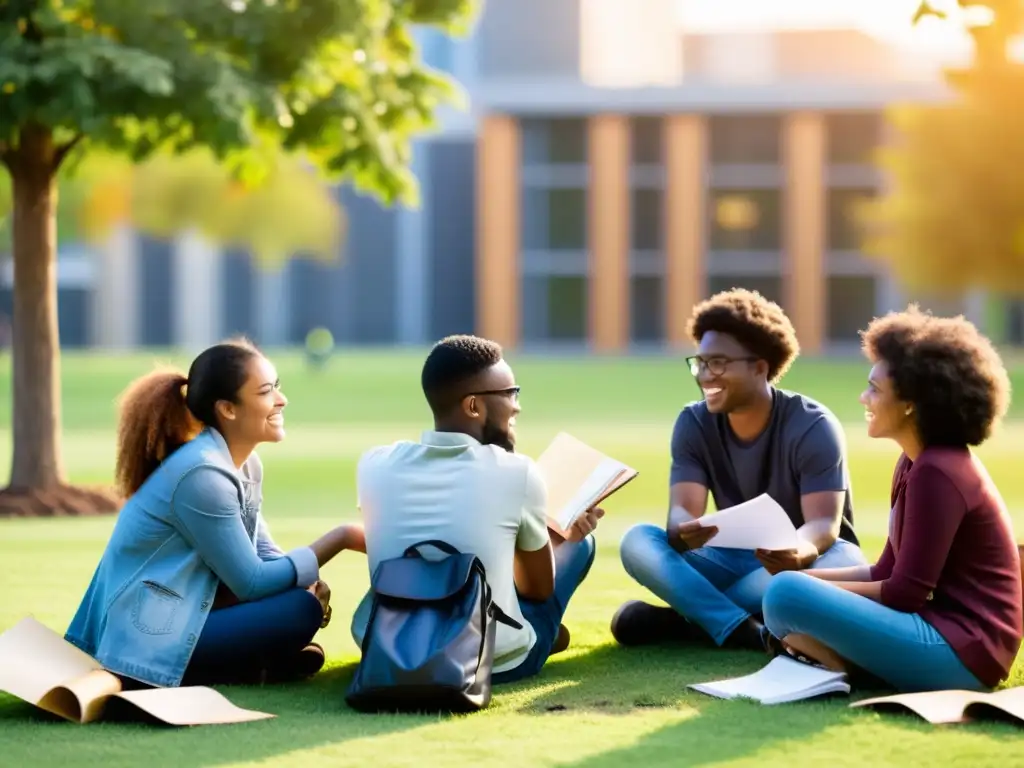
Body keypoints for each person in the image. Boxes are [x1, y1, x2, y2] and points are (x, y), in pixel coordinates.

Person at [65, 338, 366, 689]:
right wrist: (341, 538)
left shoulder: (244, 464)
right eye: (266, 392)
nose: (282, 400)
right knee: (300, 609)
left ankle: (262, 661)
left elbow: (262, 552)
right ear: (228, 409)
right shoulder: (202, 475)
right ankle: (249, 665)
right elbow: (251, 581)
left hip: (190, 608)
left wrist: (306, 580)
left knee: (300, 600)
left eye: (278, 388)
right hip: (144, 635)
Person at [761, 308, 1022, 692]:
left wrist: (802, 591)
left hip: (963, 653)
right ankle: (840, 661)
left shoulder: (939, 470)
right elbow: (886, 569)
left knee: (785, 596)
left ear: (911, 403)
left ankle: (838, 662)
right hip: (941, 632)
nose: (863, 397)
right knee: (787, 589)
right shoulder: (915, 461)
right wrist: (804, 579)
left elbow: (903, 592)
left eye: (875, 389)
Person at [612, 288, 866, 651]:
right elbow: (684, 511)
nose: (704, 375)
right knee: (638, 542)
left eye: (717, 363)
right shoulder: (694, 422)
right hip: (735, 557)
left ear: (760, 367)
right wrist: (681, 530)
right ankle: (748, 628)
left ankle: (689, 621)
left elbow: (824, 527)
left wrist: (798, 553)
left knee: (842, 562)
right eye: (699, 363)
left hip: (813, 559)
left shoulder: (813, 424)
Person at [350, 334, 603, 684]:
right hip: (486, 660)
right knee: (580, 544)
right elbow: (538, 590)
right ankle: (541, 638)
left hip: (385, 649)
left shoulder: (372, 464)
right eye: (510, 393)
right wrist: (558, 536)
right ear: (473, 406)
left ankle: (542, 634)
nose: (517, 406)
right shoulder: (518, 472)